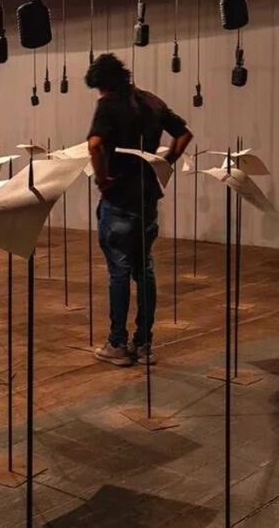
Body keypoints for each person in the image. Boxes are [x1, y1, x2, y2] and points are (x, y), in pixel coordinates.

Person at [86, 53, 193, 367]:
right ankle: (144, 344)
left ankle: (117, 344)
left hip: (119, 198)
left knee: (119, 272)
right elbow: (184, 134)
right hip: (147, 198)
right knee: (144, 269)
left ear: (103, 84)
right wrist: (165, 162)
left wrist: (102, 178)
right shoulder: (152, 101)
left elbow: (94, 145)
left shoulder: (108, 104)